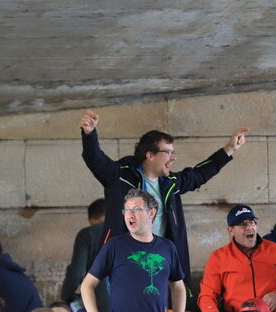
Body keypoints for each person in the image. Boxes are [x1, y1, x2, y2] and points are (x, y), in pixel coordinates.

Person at [79, 109, 248, 291]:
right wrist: (89, 134)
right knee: (123, 310)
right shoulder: (120, 175)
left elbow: (199, 174)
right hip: (123, 260)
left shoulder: (171, 183)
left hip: (159, 261)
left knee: (160, 311)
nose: (173, 158)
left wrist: (229, 149)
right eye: (168, 152)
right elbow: (96, 160)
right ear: (150, 155)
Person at [198, 204, 276, 312]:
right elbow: (207, 294)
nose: (249, 227)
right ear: (230, 230)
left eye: (252, 222)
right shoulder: (218, 257)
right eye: (243, 224)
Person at [59, 198, 109, 312]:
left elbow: (77, 273)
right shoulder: (128, 231)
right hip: (130, 307)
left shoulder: (88, 234)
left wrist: (66, 295)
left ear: (90, 219)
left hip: (101, 307)